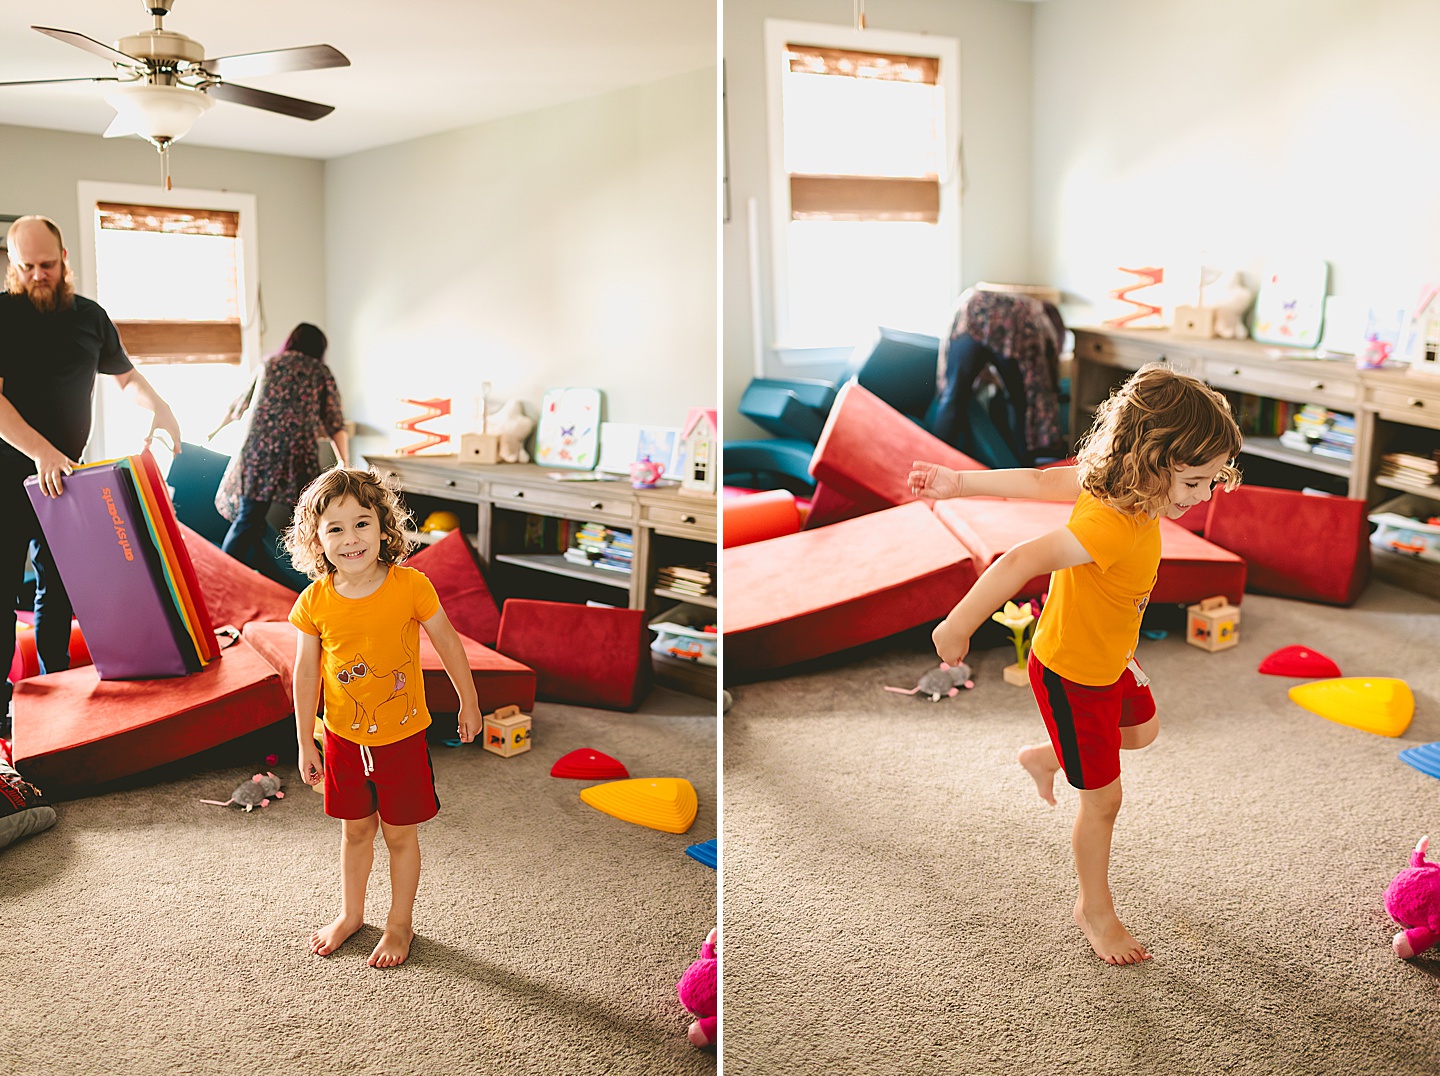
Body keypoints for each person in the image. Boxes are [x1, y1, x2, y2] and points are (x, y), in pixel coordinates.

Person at [908, 362, 1243, 966]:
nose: (1203, 497)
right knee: (1104, 802)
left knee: (1142, 732)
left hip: (1112, 655)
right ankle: (1093, 908)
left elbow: (1037, 481)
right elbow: (1017, 561)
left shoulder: (1119, 483)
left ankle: (1046, 756)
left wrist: (958, 481)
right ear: (1151, 460)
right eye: (1194, 481)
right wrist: (956, 625)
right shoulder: (1107, 525)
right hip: (1072, 671)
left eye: (1213, 481)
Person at [283, 467, 481, 968]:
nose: (351, 539)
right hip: (344, 740)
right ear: (317, 539)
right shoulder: (314, 602)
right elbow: (307, 675)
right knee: (354, 832)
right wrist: (307, 738)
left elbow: (449, 643)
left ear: (383, 526)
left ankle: (399, 922)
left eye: (362, 523)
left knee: (398, 834)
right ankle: (351, 914)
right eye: (335, 528)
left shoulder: (410, 585)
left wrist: (470, 700)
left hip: (402, 739)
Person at [0, 215, 182, 736]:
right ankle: (2, 715)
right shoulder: (2, 314)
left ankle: (56, 693)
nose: (39, 275)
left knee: (58, 592)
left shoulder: (89, 318)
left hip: (64, 480)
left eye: (49, 265)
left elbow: (125, 378)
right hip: (9, 475)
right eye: (28, 266)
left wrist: (160, 406)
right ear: (14, 266)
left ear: (64, 259)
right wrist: (42, 452)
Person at [211, 321, 348, 571]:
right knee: (312, 517)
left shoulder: (269, 364)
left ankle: (224, 575)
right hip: (296, 455)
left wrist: (214, 431)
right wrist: (344, 463)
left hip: (258, 453)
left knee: (248, 519)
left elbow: (237, 408)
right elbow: (335, 423)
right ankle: (322, 577)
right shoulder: (319, 371)